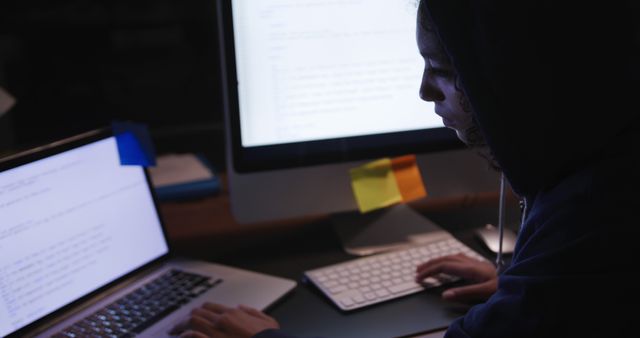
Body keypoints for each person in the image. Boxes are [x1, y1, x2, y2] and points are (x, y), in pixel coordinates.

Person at [172, 0, 640, 337]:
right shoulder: (600, 159)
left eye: (440, 69)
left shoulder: (594, 220)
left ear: (512, 76)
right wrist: (520, 285)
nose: (424, 92)